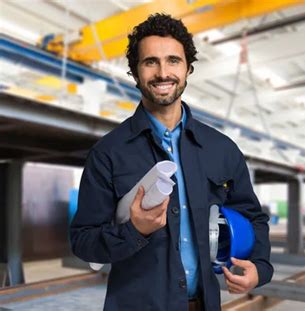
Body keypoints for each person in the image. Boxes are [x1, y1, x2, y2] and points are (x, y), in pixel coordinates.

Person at [70, 13, 273, 311]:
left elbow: (253, 216)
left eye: (173, 61)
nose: (163, 72)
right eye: (150, 61)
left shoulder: (221, 149)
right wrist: (134, 231)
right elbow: (83, 240)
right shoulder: (109, 153)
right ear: (135, 72)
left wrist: (260, 267)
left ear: (188, 69)